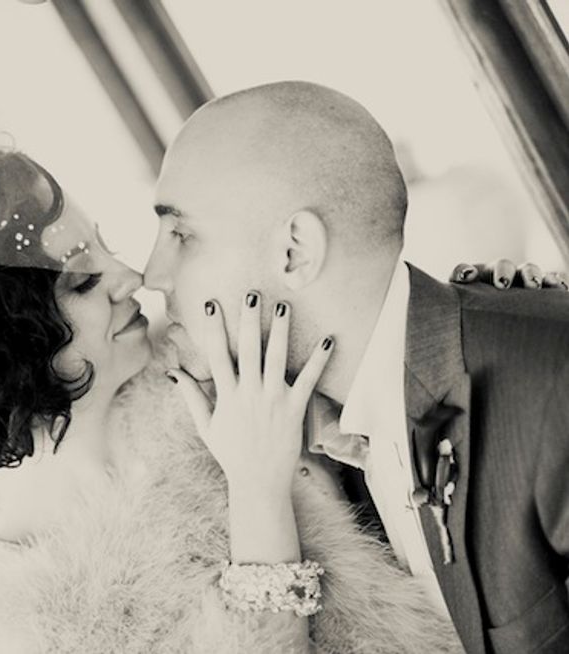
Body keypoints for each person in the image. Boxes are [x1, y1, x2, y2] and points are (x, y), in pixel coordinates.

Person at [0, 150, 466, 653]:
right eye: (84, 280)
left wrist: (481, 310)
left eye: (103, 247)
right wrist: (258, 489)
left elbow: (391, 345)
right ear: (9, 342)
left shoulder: (199, 368)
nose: (130, 276)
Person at [145, 81, 569, 654]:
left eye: (180, 234)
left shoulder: (552, 382)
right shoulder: (303, 444)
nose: (152, 274)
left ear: (295, 251)